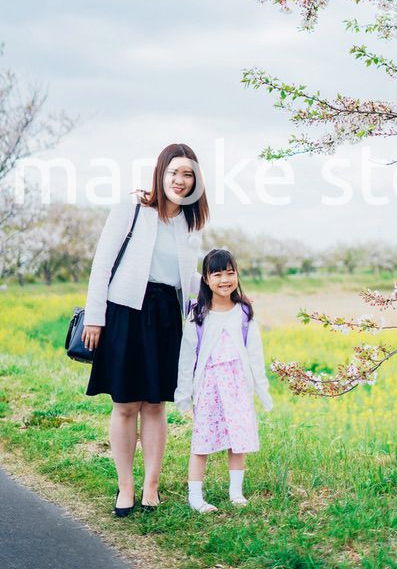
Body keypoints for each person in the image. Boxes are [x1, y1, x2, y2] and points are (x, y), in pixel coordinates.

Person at [82, 142, 208, 517]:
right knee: (124, 404)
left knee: (154, 405)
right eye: (174, 172)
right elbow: (103, 261)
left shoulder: (191, 222)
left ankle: (151, 487)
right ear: (161, 172)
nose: (180, 180)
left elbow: (188, 276)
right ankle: (125, 489)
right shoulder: (133, 207)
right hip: (125, 310)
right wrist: (95, 315)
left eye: (188, 174)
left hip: (167, 316)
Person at [174, 248, 273, 513]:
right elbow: (186, 357)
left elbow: (255, 352)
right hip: (208, 387)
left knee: (237, 440)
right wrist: (183, 396)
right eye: (217, 274)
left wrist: (263, 391)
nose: (224, 280)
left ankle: (236, 493)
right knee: (202, 442)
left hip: (238, 386)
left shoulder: (243, 312)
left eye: (230, 273)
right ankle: (195, 496)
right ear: (206, 279)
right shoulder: (198, 314)